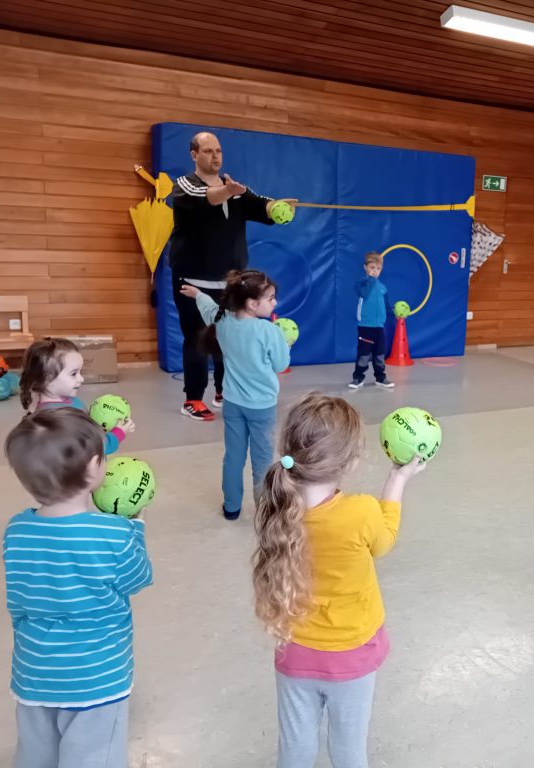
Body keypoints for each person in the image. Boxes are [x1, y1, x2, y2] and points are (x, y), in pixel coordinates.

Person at [252, 393, 425, 767]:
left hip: (294, 651)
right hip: (350, 656)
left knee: (295, 748)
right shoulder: (361, 512)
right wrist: (397, 479)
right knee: (349, 751)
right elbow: (384, 543)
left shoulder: (278, 508)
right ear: (349, 462)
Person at [3, 407, 153, 767]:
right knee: (93, 755)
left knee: (36, 751)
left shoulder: (16, 531)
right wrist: (135, 528)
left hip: (34, 669)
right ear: (92, 470)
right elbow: (138, 578)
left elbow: (18, 601)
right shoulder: (113, 533)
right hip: (97, 675)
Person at [169, 131, 280, 421]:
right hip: (192, 281)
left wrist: (277, 207)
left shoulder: (231, 188)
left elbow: (259, 204)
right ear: (194, 155)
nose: (215, 156)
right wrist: (230, 192)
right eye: (207, 151)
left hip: (229, 282)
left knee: (227, 338)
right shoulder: (185, 186)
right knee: (196, 339)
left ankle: (223, 391)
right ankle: (192, 398)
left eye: (218, 150)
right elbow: (208, 199)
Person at [180, 270, 290, 520]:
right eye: (271, 298)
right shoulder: (269, 331)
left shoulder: (223, 321)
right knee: (262, 460)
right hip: (262, 407)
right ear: (252, 304)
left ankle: (231, 507)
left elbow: (209, 309)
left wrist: (197, 293)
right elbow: (280, 364)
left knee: (233, 457)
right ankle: (264, 512)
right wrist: (286, 343)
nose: (275, 302)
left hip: (233, 404)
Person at [19, 337, 135, 455]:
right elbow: (95, 448)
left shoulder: (67, 401)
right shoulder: (60, 419)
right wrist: (120, 432)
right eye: (73, 373)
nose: (81, 378)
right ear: (47, 378)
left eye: (80, 372)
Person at [348, 251, 395, 389]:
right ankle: (358, 378)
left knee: (379, 353)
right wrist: (371, 279)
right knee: (364, 353)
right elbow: (364, 293)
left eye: (378, 268)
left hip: (379, 326)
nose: (375, 271)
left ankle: (380, 378)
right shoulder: (362, 283)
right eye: (372, 267)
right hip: (365, 326)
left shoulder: (383, 288)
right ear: (365, 268)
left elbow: (386, 305)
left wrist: (393, 315)